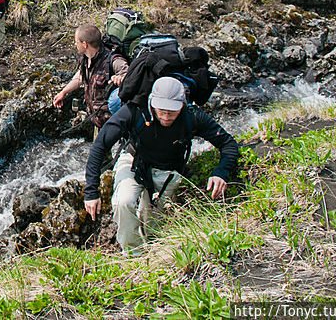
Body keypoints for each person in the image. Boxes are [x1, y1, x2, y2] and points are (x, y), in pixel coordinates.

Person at [83, 77, 239, 255]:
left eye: (172, 112)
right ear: (151, 102)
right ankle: (134, 255)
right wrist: (91, 192)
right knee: (123, 202)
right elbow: (100, 145)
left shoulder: (193, 116)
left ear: (182, 105)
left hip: (168, 170)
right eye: (162, 111)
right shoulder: (134, 111)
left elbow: (228, 144)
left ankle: (155, 253)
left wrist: (221, 173)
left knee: (155, 225)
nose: (166, 117)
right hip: (133, 161)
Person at [53, 24, 129, 138]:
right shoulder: (86, 58)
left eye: (76, 42)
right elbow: (80, 77)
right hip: (98, 123)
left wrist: (121, 78)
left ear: (85, 44)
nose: (75, 44)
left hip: (115, 127)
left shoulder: (113, 61)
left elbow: (131, 75)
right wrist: (63, 92)